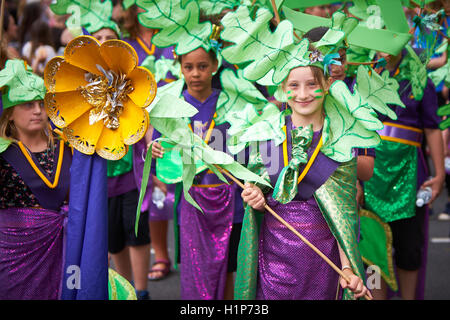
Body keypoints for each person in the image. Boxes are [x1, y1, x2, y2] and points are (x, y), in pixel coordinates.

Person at [151, 42, 244, 299]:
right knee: (195, 266)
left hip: (229, 201)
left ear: (215, 66)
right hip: (192, 202)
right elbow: (161, 150)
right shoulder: (171, 107)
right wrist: (156, 150)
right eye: (188, 67)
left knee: (226, 267)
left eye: (203, 66)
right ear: (179, 67)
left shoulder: (230, 102)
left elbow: (246, 149)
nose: (195, 74)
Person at [363, 46, 445, 300]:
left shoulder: (420, 80)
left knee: (409, 249)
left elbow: (432, 129)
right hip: (371, 175)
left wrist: (440, 175)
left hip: (409, 176)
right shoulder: (363, 77)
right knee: (373, 250)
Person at [0, 59, 72, 299]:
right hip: (13, 256)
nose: (38, 111)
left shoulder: (68, 147)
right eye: (28, 104)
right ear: (10, 114)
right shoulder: (2, 154)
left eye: (42, 104)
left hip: (63, 251)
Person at [121, 3, 177, 282]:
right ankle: (161, 253)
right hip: (140, 123)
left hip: (176, 118)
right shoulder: (126, 45)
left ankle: (192, 252)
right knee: (155, 189)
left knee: (181, 184)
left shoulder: (173, 37)